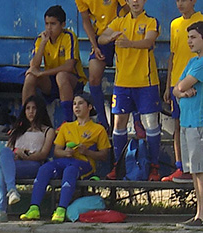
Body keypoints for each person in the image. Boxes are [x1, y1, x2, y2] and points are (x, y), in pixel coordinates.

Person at [20, 94, 110, 223]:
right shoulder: (66, 127)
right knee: (45, 168)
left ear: (89, 107)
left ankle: (61, 209)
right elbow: (57, 151)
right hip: (65, 160)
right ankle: (34, 208)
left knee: (70, 170)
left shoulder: (98, 129)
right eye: (74, 104)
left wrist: (87, 152)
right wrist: (66, 153)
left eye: (80, 103)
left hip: (84, 164)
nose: (76, 107)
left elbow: (104, 155)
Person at [99, 0, 162, 181]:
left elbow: (149, 41)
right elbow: (101, 37)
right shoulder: (119, 22)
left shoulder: (151, 21)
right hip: (122, 83)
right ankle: (118, 166)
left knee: (151, 123)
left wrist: (130, 43)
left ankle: (154, 167)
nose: (135, 1)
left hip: (146, 82)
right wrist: (109, 38)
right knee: (119, 124)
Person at [0, 95, 55, 223]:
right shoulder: (18, 129)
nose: (31, 111)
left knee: (1, 167)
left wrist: (24, 155)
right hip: (14, 165)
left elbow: (44, 154)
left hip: (34, 165)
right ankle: (11, 191)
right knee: (4, 157)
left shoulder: (47, 131)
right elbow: (8, 151)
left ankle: (1, 210)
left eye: (34, 108)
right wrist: (17, 153)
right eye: (28, 108)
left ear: (40, 110)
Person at [22, 5, 87, 124]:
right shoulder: (41, 39)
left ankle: (68, 122)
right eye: (46, 24)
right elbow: (34, 66)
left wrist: (42, 73)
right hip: (51, 82)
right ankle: (26, 121)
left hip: (72, 81)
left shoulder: (69, 37)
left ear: (62, 25)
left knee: (61, 76)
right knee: (30, 77)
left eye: (53, 24)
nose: (49, 28)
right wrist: (43, 44)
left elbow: (69, 66)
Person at [163, 0, 203, 183]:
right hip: (179, 81)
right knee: (178, 126)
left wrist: (181, 88)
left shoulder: (201, 20)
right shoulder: (174, 24)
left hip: (194, 82)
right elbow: (172, 55)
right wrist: (169, 87)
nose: (180, 3)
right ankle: (181, 167)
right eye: (177, 0)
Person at [76, 0, 128, 131]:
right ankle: (102, 120)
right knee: (93, 77)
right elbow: (86, 20)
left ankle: (137, 119)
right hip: (102, 36)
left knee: (127, 73)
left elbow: (128, 9)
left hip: (121, 32)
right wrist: (95, 45)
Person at [173, 21, 203, 227]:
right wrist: (181, 91)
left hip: (198, 122)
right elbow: (176, 90)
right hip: (187, 121)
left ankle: (202, 215)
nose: (189, 41)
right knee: (194, 171)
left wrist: (181, 90)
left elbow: (181, 85)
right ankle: (198, 213)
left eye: (193, 37)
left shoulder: (201, 63)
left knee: (200, 171)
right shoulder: (192, 61)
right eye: (188, 37)